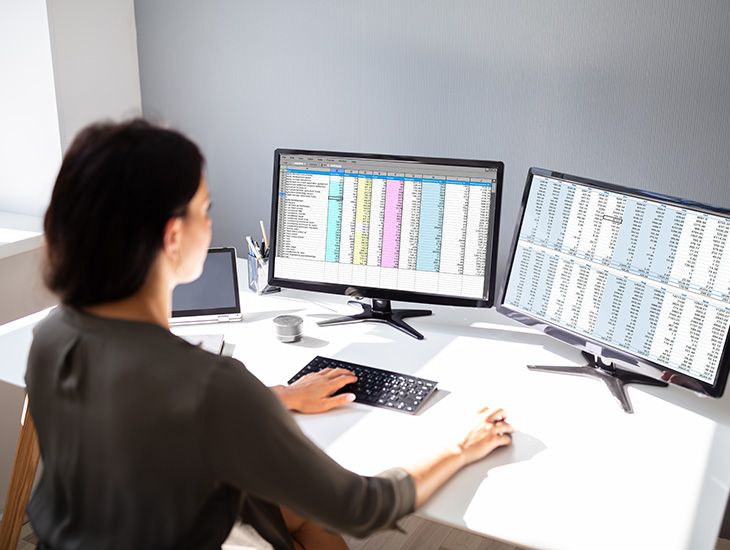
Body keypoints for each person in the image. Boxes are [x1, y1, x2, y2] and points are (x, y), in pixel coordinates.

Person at [26, 118, 514, 550]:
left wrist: (278, 396)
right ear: (173, 237)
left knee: (288, 509)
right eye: (205, 208)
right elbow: (361, 507)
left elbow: (151, 415)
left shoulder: (50, 338)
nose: (212, 222)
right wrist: (459, 443)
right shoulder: (213, 385)